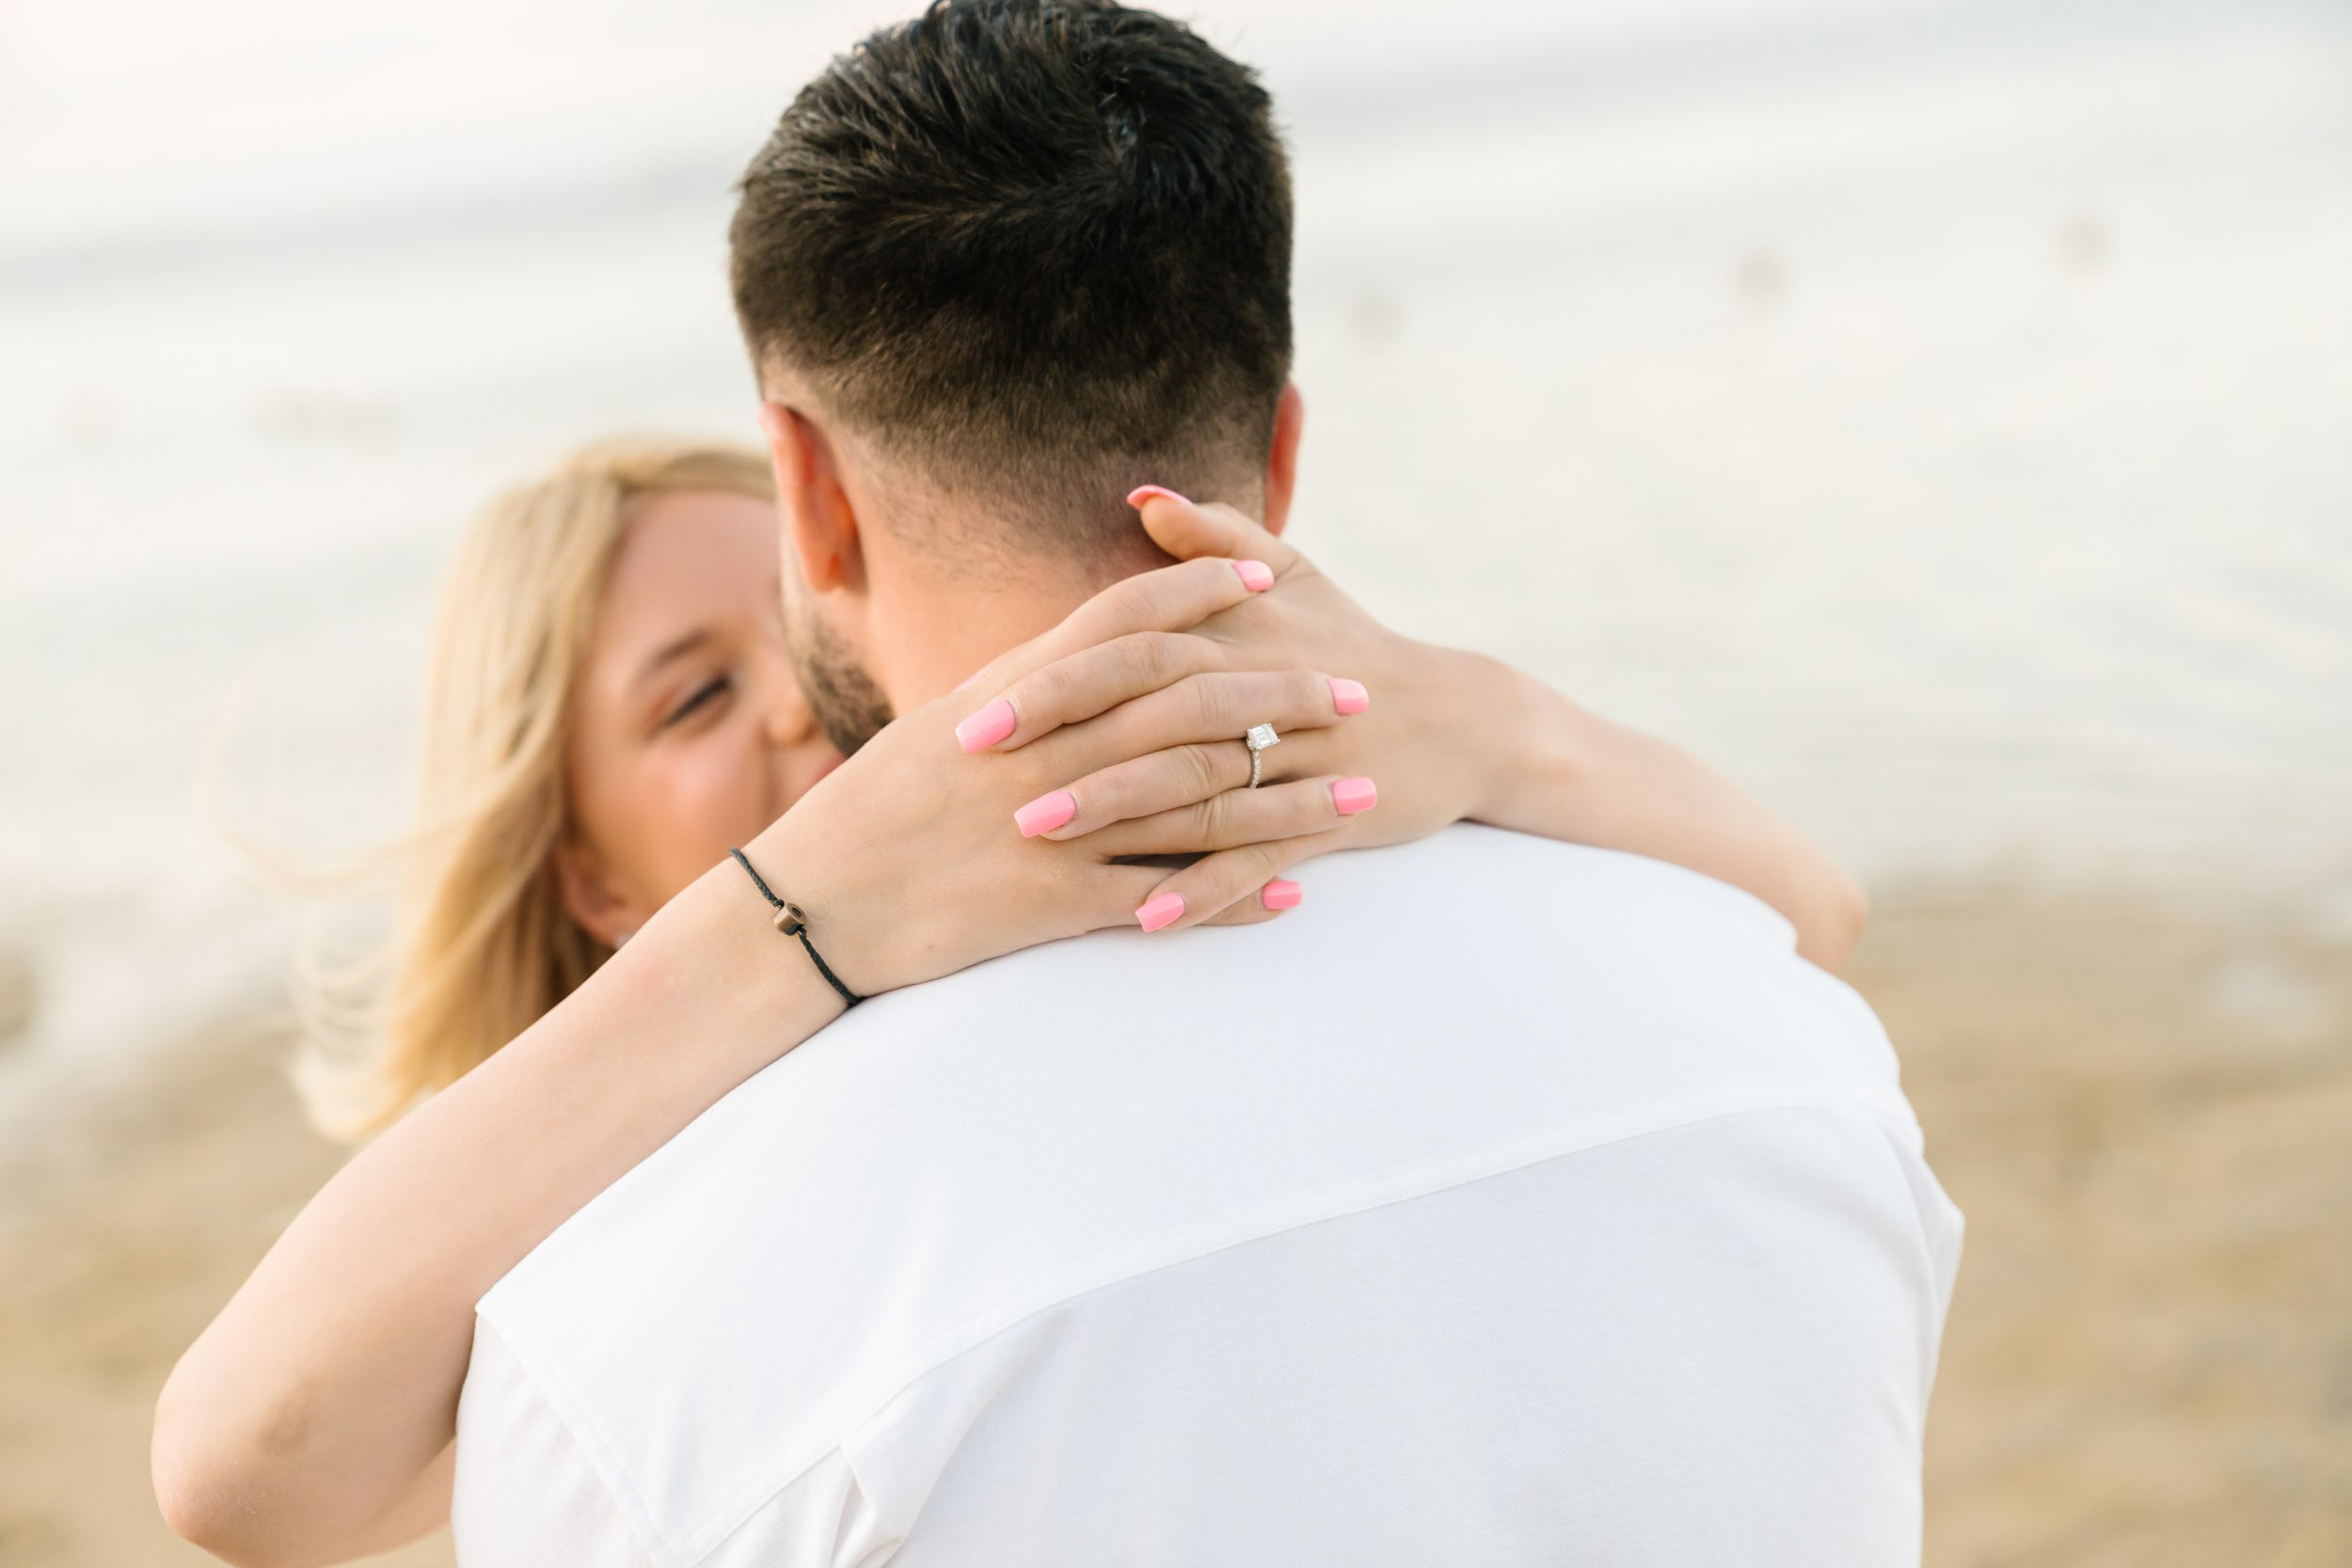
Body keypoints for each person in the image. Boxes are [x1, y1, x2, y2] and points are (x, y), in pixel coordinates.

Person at [149, 6, 1950, 1565]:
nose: (793, 719)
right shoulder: (1779, 1040)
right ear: (1286, 450)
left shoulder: (645, 1355)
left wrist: (1473, 725)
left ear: (813, 499)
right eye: (693, 698)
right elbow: (1805, 921)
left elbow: (248, 1468)